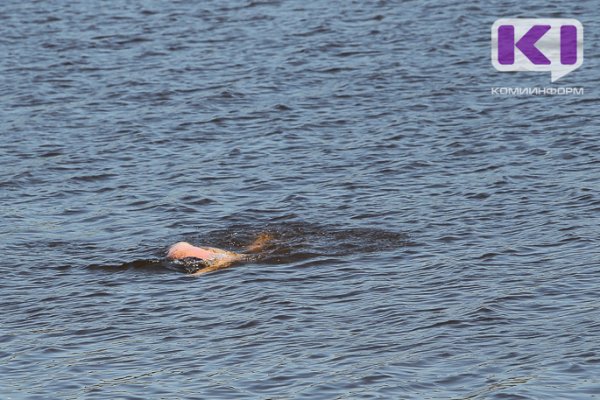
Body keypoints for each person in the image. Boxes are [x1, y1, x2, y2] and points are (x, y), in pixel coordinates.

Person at [166, 233, 272, 275]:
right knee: (244, 254)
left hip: (187, 250)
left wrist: (197, 274)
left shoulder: (222, 259)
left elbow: (215, 265)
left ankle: (261, 241)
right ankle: (261, 241)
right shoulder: (221, 257)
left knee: (244, 255)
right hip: (186, 250)